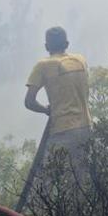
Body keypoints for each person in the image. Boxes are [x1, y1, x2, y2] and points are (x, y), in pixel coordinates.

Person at [24, 26, 92, 170]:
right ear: (67, 44)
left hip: (62, 130)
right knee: (81, 178)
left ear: (46, 46)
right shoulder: (81, 60)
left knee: (47, 180)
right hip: (86, 128)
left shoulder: (43, 65)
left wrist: (46, 110)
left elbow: (29, 102)